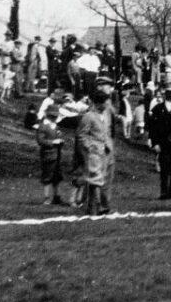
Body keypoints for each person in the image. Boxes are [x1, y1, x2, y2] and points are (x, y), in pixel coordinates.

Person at [76, 77, 118, 216]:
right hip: (94, 153)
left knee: (105, 180)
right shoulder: (88, 116)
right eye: (105, 102)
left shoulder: (105, 115)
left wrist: (109, 146)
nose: (107, 104)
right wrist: (90, 147)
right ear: (99, 103)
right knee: (95, 181)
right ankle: (93, 207)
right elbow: (81, 135)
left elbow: (108, 131)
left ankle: (104, 206)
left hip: (106, 151)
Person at [35, 94, 68, 206]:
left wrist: (60, 140)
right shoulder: (43, 126)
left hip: (57, 155)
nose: (54, 118)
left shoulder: (55, 126)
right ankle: (47, 198)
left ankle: (56, 196)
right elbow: (40, 140)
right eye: (53, 116)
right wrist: (53, 142)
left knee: (57, 177)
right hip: (47, 155)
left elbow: (59, 136)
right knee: (47, 176)